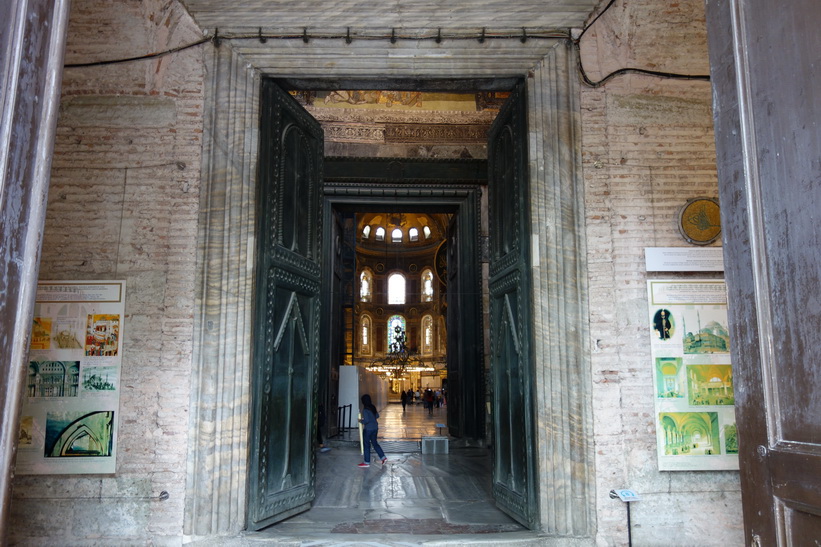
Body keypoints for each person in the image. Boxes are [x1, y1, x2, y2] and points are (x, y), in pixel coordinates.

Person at [358, 394, 387, 468]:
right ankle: (383, 457)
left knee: (367, 445)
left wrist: (361, 421)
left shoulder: (365, 410)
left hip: (368, 429)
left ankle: (366, 462)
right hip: (375, 428)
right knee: (375, 443)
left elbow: (366, 421)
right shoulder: (372, 407)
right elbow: (377, 416)